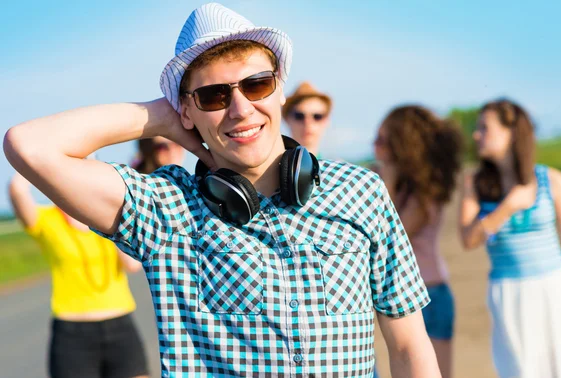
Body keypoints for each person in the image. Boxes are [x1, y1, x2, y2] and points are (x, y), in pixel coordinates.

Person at [3, 3, 440, 377]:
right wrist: (161, 114)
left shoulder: (361, 191)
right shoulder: (165, 210)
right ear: (187, 110)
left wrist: (194, 104)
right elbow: (29, 146)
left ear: (280, 89)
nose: (240, 108)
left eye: (256, 84)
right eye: (214, 95)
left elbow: (408, 346)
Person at [459, 98, 561, 378]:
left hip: (557, 289)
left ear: (511, 133)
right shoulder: (475, 184)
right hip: (509, 294)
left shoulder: (552, 180)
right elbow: (468, 240)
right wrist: (507, 207)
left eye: (485, 128)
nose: (477, 135)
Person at [8, 169, 149, 378]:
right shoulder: (47, 220)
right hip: (72, 332)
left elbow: (132, 265)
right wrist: (50, 153)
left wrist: (114, 220)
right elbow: (17, 189)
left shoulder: (106, 218)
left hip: (120, 324)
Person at [373, 105, 463, 378]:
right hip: (392, 299)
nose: (374, 147)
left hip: (431, 296)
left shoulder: (426, 193)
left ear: (401, 144)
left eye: (381, 140)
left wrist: (386, 181)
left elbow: (391, 236)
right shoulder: (374, 177)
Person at [282, 81, 332, 156]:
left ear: (326, 120)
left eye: (317, 116)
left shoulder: (337, 166)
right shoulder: (273, 165)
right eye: (299, 116)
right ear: (287, 119)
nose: (308, 122)